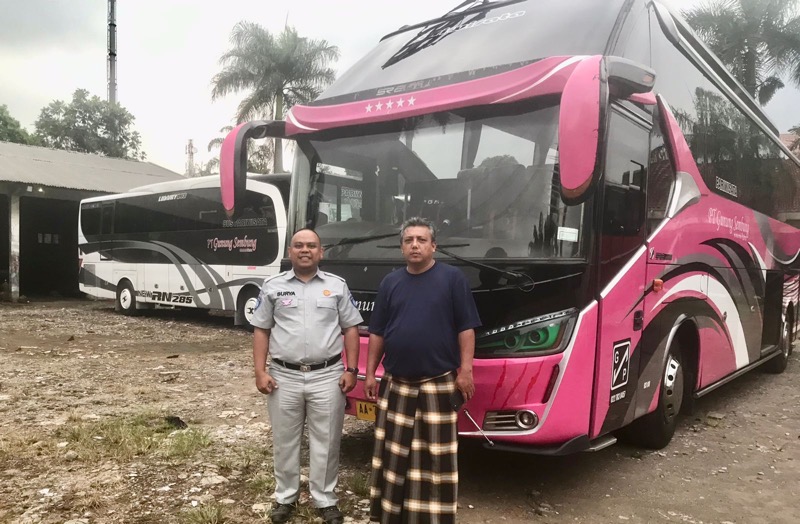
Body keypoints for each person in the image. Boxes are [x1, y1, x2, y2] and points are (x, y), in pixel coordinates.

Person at [364, 217, 481, 524]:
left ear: (433, 246)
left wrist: (465, 371)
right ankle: (392, 515)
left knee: (435, 459)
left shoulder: (453, 279)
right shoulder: (390, 283)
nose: (414, 245)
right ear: (402, 247)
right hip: (396, 383)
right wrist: (370, 373)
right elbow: (377, 332)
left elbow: (466, 329)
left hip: (438, 383)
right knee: (394, 455)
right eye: (408, 240)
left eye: (421, 240)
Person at [251, 228, 363, 524]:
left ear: (320, 252)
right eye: (299, 245)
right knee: (285, 440)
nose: (305, 250)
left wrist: (352, 369)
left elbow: (351, 327)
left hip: (327, 375)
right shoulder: (273, 286)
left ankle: (325, 499)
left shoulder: (337, 286)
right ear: (290, 251)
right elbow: (261, 329)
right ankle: (285, 497)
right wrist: (260, 371)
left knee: (326, 440)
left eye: (311, 246)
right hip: (283, 376)